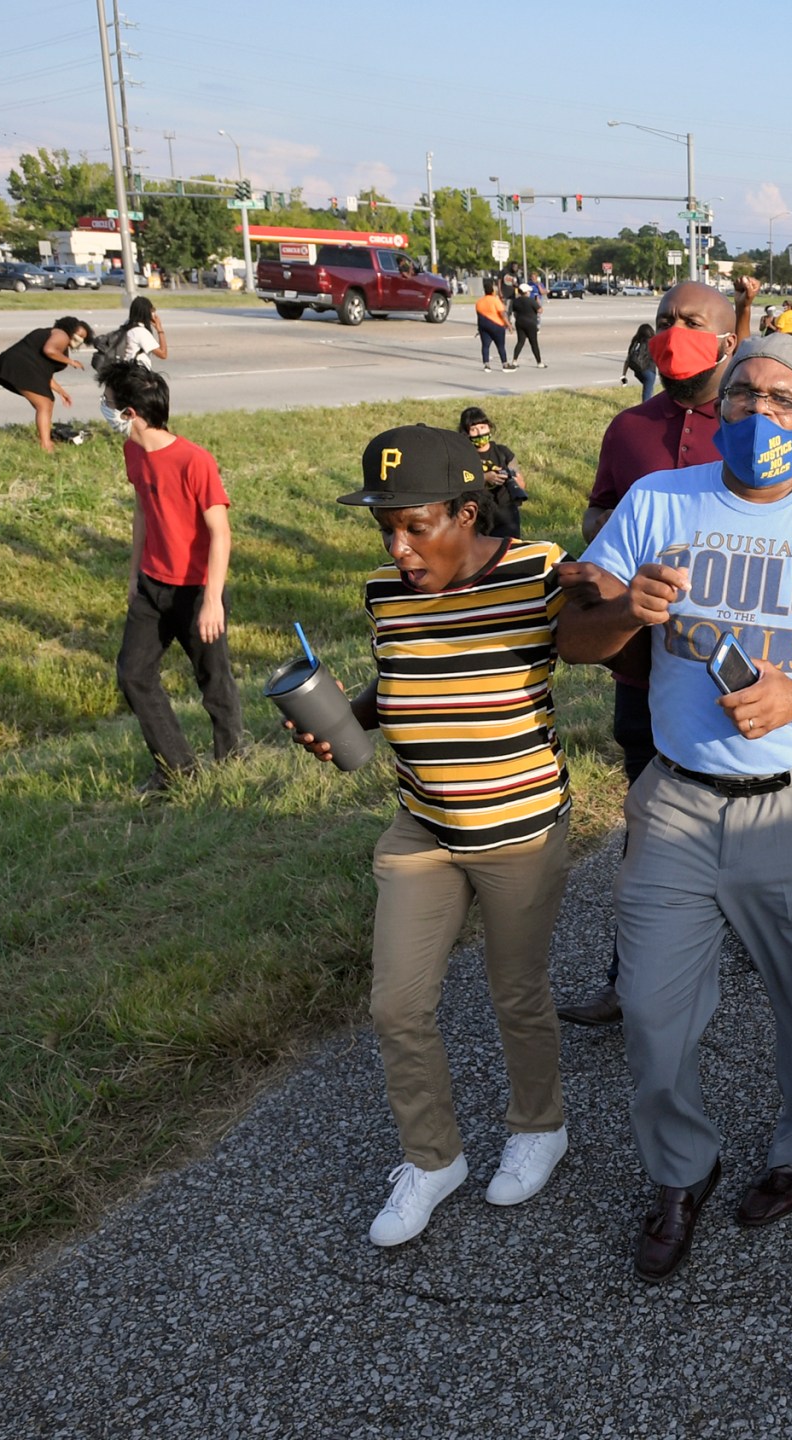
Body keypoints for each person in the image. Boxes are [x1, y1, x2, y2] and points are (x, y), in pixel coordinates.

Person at [560, 333, 792, 1280]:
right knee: (649, 1007)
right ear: (715, 406)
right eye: (742, 397)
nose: (760, 415)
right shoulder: (658, 502)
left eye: (783, 401)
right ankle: (681, 1170)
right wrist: (626, 614)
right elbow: (575, 636)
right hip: (681, 798)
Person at [288, 424, 575, 1249]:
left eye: (417, 525)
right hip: (422, 825)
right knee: (397, 1003)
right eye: (386, 528)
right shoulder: (385, 592)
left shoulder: (535, 571)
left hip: (516, 826)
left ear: (466, 510)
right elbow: (402, 679)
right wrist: (347, 717)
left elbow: (596, 643)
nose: (400, 546)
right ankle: (433, 1157)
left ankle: (538, 1127)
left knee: (515, 991)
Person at [557, 277, 756, 1029]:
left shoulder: (752, 425)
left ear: (727, 338)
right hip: (641, 667)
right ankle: (630, 974)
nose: (674, 333)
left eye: (691, 321)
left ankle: (743, 925)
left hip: (729, 671)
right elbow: (599, 509)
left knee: (742, 816)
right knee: (648, 820)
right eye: (664, 320)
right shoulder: (628, 429)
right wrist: (604, 554)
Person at [102, 363, 241, 793]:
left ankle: (232, 759)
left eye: (108, 402)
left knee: (212, 678)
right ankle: (176, 767)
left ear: (130, 412)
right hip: (151, 586)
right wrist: (133, 575)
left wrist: (212, 599)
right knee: (133, 673)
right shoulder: (133, 452)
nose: (103, 409)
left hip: (197, 590)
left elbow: (220, 532)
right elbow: (143, 510)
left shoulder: (194, 460)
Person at [0, 316, 93, 452]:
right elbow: (49, 350)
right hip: (18, 364)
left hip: (23, 366)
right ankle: (46, 445)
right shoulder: (61, 334)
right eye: (78, 334)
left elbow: (45, 374)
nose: (79, 339)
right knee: (44, 404)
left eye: (83, 338)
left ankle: (46, 440)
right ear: (69, 329)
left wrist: (62, 392)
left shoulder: (62, 349)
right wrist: (71, 362)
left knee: (47, 402)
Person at [96, 297, 167, 429]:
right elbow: (163, 354)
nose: (154, 314)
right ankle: (137, 433)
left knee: (129, 407)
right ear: (146, 312)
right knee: (142, 409)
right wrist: (159, 329)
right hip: (138, 375)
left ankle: (129, 430)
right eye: (152, 310)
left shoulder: (127, 326)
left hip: (126, 372)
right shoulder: (141, 332)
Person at [458, 406, 528, 538]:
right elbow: (461, 483)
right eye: (474, 430)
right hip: (479, 514)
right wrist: (485, 478)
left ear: (489, 427)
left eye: (483, 427)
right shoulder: (465, 456)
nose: (480, 433)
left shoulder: (503, 453)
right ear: (466, 433)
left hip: (506, 513)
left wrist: (514, 481)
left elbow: (521, 485)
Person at [509, 280, 545, 369]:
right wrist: (538, 302)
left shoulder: (515, 301)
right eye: (529, 291)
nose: (529, 293)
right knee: (534, 343)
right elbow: (540, 310)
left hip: (520, 322)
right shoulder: (531, 301)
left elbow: (513, 312)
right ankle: (539, 362)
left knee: (520, 342)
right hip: (531, 323)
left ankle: (514, 361)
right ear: (525, 292)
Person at [474, 285, 510, 373]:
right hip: (497, 325)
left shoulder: (479, 302)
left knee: (485, 346)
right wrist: (508, 324)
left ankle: (486, 364)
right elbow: (502, 314)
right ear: (493, 292)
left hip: (483, 325)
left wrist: (479, 328)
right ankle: (505, 364)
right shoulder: (495, 301)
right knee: (500, 346)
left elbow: (478, 316)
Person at [624, 323, 657, 404]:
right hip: (649, 372)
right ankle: (646, 412)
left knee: (649, 389)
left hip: (638, 371)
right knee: (647, 393)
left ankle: (650, 406)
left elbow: (628, 359)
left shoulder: (635, 342)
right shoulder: (653, 342)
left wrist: (624, 374)